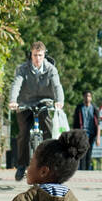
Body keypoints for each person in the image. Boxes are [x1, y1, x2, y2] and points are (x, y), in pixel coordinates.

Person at [8, 40, 65, 181]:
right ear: (31, 55)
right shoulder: (23, 68)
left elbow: (57, 86)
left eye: (40, 55)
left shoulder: (51, 69)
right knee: (23, 133)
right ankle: (21, 165)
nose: (37, 59)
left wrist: (60, 101)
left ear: (44, 55)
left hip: (44, 101)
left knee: (48, 130)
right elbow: (16, 84)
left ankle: (50, 163)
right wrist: (13, 101)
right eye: (34, 55)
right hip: (25, 103)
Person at [72, 90, 98, 169]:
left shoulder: (94, 108)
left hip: (92, 134)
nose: (87, 98)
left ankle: (87, 170)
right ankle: (82, 169)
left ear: (91, 98)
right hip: (82, 133)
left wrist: (98, 137)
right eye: (86, 96)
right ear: (83, 97)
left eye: (89, 96)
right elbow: (75, 121)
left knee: (89, 152)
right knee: (82, 152)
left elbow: (98, 123)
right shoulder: (79, 108)